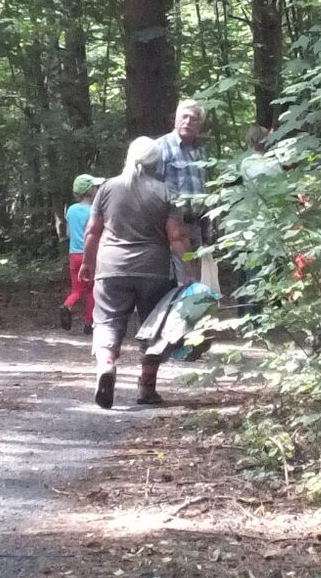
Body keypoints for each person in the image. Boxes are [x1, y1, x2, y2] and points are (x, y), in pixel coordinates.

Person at [80, 136, 191, 409]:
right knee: (154, 327)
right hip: (154, 270)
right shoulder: (167, 192)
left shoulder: (107, 188)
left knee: (108, 322)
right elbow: (176, 236)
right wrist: (191, 273)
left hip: (112, 268)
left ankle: (106, 365)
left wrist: (87, 262)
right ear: (156, 162)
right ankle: (147, 387)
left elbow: (93, 230)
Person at [155, 99, 221, 293]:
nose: (188, 122)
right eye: (184, 117)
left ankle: (193, 310)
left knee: (196, 279)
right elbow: (152, 189)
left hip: (197, 225)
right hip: (171, 227)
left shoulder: (202, 151)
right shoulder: (161, 147)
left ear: (200, 124)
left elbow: (207, 189)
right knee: (180, 281)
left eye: (193, 119)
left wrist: (209, 226)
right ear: (175, 119)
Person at [59, 174, 99, 331]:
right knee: (92, 290)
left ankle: (67, 305)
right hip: (90, 255)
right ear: (90, 191)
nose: (97, 189)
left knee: (77, 289)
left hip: (74, 255)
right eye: (95, 187)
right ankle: (89, 324)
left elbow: (69, 233)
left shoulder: (71, 210)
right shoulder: (94, 211)